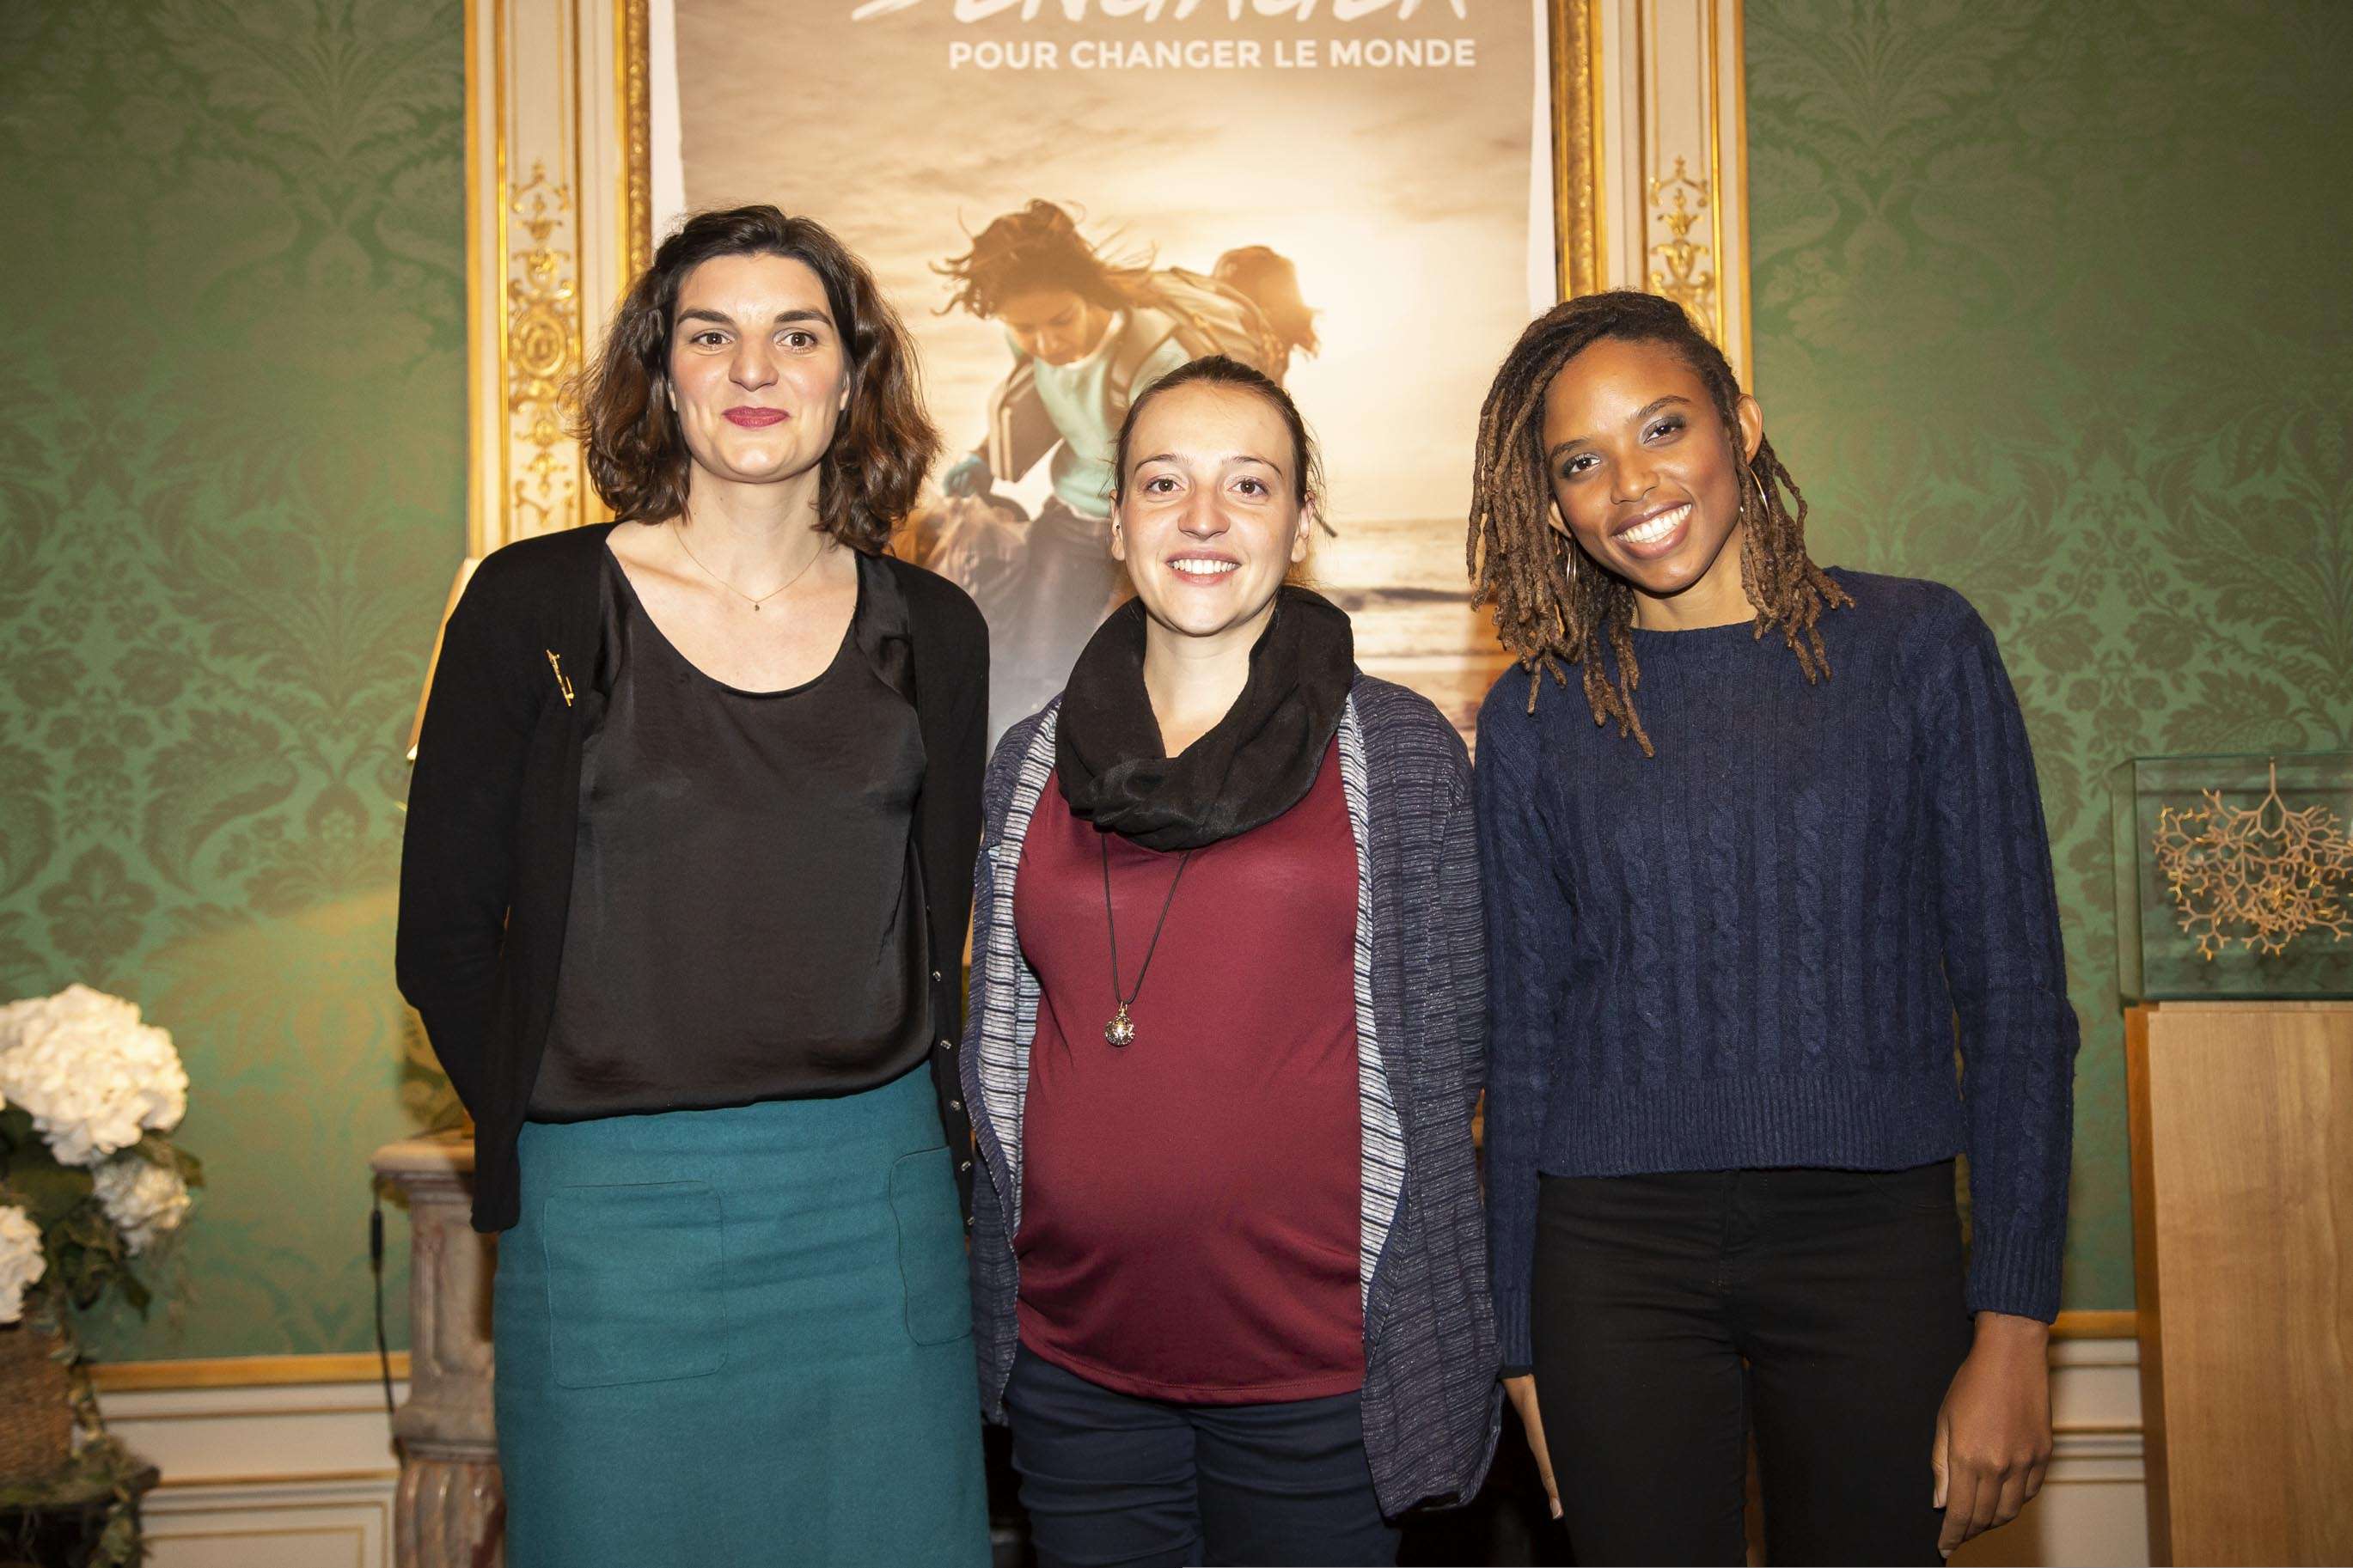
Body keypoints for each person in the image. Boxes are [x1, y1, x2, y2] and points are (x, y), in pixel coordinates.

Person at [395, 205, 991, 1568]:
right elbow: (443, 935)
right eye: (709, 336)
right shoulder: (532, 604)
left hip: (870, 1200)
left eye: (797, 334)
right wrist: (550, 1110)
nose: (754, 370)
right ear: (662, 375)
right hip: (610, 1216)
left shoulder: (933, 631)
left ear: (853, 375)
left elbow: (941, 920)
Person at [1470, 290, 2078, 1565]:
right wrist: (1517, 1344)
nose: (1628, 482)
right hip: (1609, 1262)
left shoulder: (1918, 649)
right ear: (1548, 506)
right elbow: (1519, 1047)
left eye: (1661, 427)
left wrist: (2015, 1324)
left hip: (1872, 1243)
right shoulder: (1532, 717)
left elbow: (2017, 1006)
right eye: (1578, 462)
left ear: (1740, 427)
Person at [959, 355, 1500, 1567]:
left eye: (1248, 484)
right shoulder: (1026, 763)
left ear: (1302, 521)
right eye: (1164, 481)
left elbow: (1458, 1059)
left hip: (1321, 1384)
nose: (1203, 518)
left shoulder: (1398, 756)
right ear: (1117, 518)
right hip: (1076, 1373)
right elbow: (997, 1054)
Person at [930, 201, 1317, 735]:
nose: (1047, 343)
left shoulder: (1159, 359)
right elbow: (1042, 398)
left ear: (1089, 294)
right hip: (1074, 516)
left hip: (1152, 526)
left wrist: (1137, 567)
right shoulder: (1039, 336)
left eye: (1061, 321)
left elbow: (1185, 476)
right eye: (1026, 329)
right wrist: (984, 458)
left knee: (1138, 671)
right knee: (1033, 663)